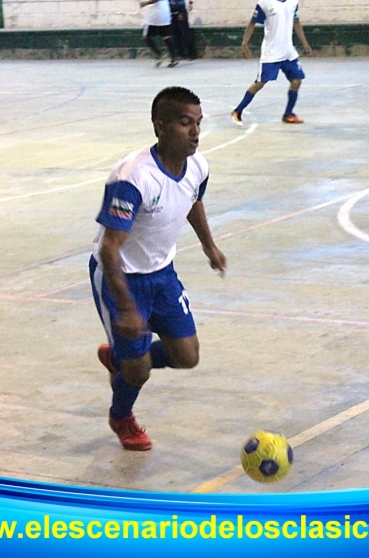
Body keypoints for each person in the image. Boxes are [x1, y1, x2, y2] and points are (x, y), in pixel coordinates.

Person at [89, 86, 227, 451]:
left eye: (198, 123)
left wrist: (208, 244)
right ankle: (122, 416)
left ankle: (121, 355)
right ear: (160, 127)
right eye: (185, 123)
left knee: (187, 356)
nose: (195, 131)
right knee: (139, 372)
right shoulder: (133, 177)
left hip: (162, 274)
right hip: (121, 276)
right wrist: (129, 310)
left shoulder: (199, 166)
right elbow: (109, 249)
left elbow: (191, 200)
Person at [231, 0, 312, 126]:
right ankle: (238, 111)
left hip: (288, 52)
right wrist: (244, 43)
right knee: (260, 83)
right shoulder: (265, 3)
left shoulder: (293, 2)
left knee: (296, 80)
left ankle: (288, 114)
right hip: (271, 53)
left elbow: (296, 22)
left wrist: (305, 43)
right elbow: (252, 23)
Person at [140, 0, 178, 68]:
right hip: (165, 13)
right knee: (166, 37)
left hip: (154, 16)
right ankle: (174, 58)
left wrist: (145, 3)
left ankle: (158, 54)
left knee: (146, 36)